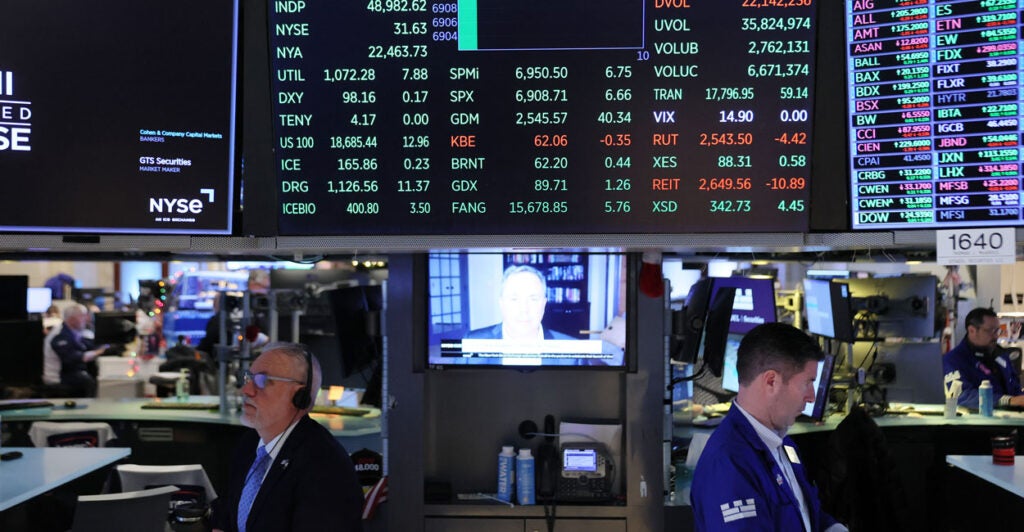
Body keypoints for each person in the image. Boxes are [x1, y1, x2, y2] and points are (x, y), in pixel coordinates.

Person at [691, 322, 847, 532]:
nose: (811, 397)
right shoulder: (729, 464)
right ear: (771, 381)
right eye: (807, 383)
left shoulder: (783, 443)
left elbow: (807, 513)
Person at [210, 342, 364, 532]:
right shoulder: (249, 444)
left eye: (262, 381)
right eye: (248, 378)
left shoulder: (325, 465)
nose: (246, 390)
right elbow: (224, 514)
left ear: (300, 396)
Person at [464, 265, 574, 341]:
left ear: (543, 304)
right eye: (514, 299)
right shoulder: (473, 341)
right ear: (501, 304)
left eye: (533, 299)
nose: (524, 309)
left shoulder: (571, 349)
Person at [943, 307, 1024, 408]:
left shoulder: (1000, 355)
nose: (996, 336)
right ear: (972, 330)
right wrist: (1008, 401)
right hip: (979, 421)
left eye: (998, 331)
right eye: (991, 331)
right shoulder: (953, 360)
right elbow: (963, 396)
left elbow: (1015, 388)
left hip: (1012, 419)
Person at [48, 303, 107, 397]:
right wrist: (99, 352)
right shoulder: (60, 335)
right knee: (88, 381)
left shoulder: (72, 331)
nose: (87, 320)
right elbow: (73, 358)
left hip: (69, 372)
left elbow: (87, 344)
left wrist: (105, 346)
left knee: (94, 373)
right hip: (59, 377)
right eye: (83, 316)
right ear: (72, 318)